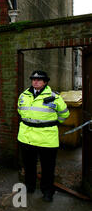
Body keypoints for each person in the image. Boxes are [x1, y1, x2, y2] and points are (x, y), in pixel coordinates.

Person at [17, 70, 70, 202]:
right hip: (26, 137)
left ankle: (47, 192)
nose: (35, 81)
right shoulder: (24, 95)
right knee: (29, 165)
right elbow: (20, 110)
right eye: (34, 79)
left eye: (39, 79)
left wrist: (52, 123)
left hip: (47, 139)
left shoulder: (55, 97)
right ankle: (29, 186)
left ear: (45, 82)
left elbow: (64, 114)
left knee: (47, 168)